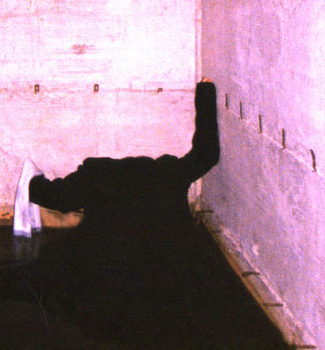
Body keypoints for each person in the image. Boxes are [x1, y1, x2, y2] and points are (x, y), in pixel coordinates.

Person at [13, 80, 219, 240]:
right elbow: (206, 154)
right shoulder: (173, 180)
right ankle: (33, 185)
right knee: (63, 197)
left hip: (118, 182)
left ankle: (32, 185)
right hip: (135, 182)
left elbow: (207, 154)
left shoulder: (173, 179)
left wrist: (206, 90)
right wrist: (205, 91)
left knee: (63, 197)